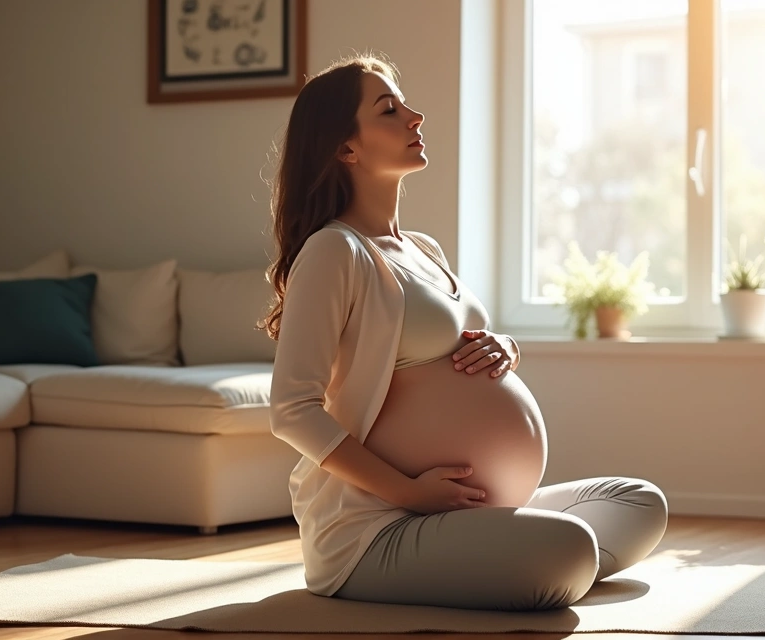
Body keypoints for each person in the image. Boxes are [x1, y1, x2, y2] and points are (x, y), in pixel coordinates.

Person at [262, 53, 668, 612]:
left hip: (472, 509)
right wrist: (409, 492)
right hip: (380, 526)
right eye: (389, 109)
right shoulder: (335, 251)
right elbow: (291, 409)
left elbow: (452, 348)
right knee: (570, 550)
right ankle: (524, 560)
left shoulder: (423, 249)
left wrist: (504, 348)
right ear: (345, 148)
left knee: (639, 503)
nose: (415, 116)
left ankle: (504, 555)